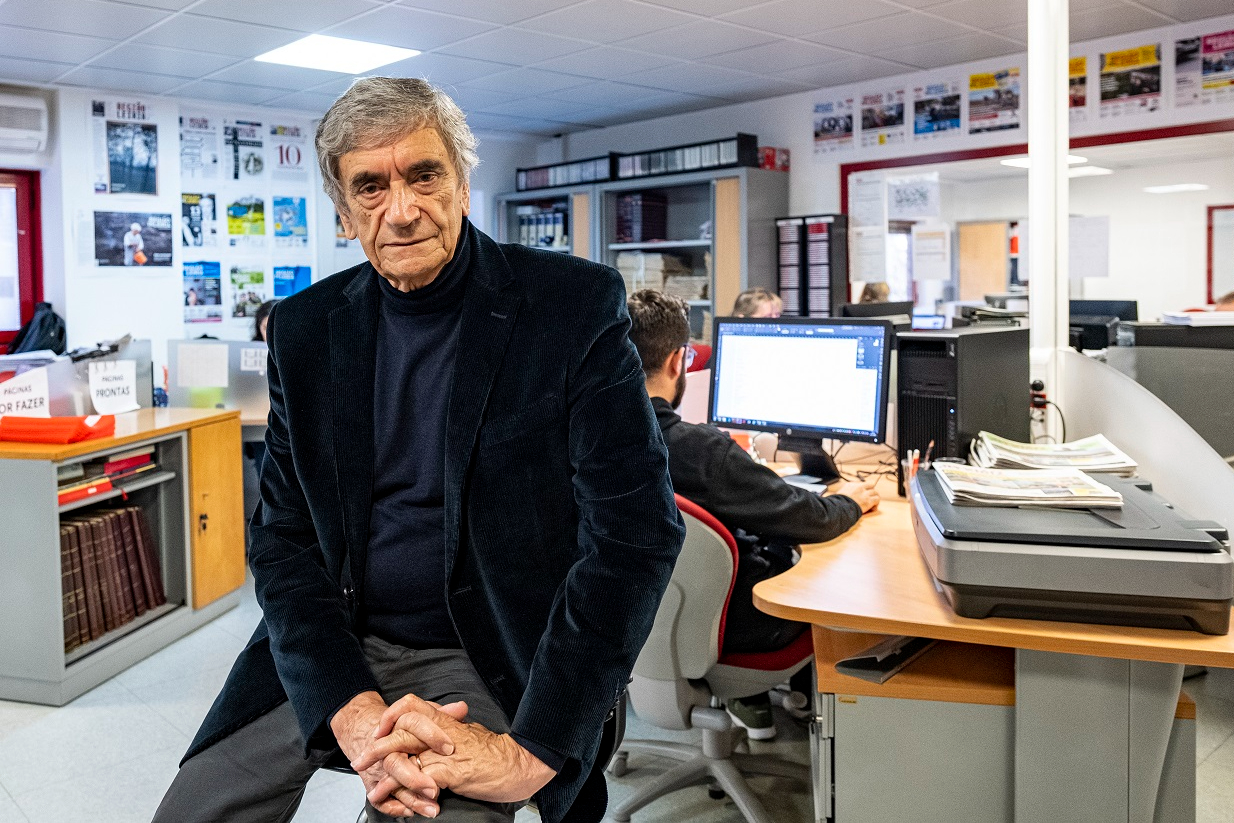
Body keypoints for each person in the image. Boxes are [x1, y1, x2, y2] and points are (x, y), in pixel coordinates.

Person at [153, 77, 684, 823]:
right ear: (343, 212)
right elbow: (281, 539)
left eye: (423, 174)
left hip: (494, 649)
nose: (400, 210)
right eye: (369, 186)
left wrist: (530, 748)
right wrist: (347, 703)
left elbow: (634, 535)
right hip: (336, 640)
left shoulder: (570, 309)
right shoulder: (305, 333)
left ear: (462, 184)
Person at [626, 289, 880, 740]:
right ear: (677, 362)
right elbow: (813, 521)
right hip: (730, 631)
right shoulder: (700, 451)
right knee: (828, 582)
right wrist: (852, 502)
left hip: (620, 626)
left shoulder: (578, 438)